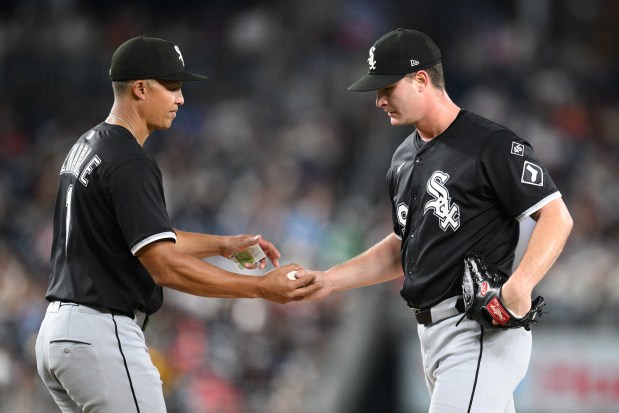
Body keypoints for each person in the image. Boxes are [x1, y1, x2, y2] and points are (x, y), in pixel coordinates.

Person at [35, 35, 319, 413]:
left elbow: (141, 240)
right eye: (171, 87)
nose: (180, 99)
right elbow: (164, 266)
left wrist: (222, 245)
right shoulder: (128, 160)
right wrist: (260, 288)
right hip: (100, 332)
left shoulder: (88, 145)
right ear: (139, 88)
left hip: (60, 334)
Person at [297, 28, 573, 412]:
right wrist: (330, 280)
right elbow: (402, 249)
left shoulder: (489, 144)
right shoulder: (402, 159)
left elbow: (557, 216)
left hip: (477, 330)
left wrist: (521, 284)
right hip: (431, 337)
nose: (378, 101)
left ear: (421, 80)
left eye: (387, 88)